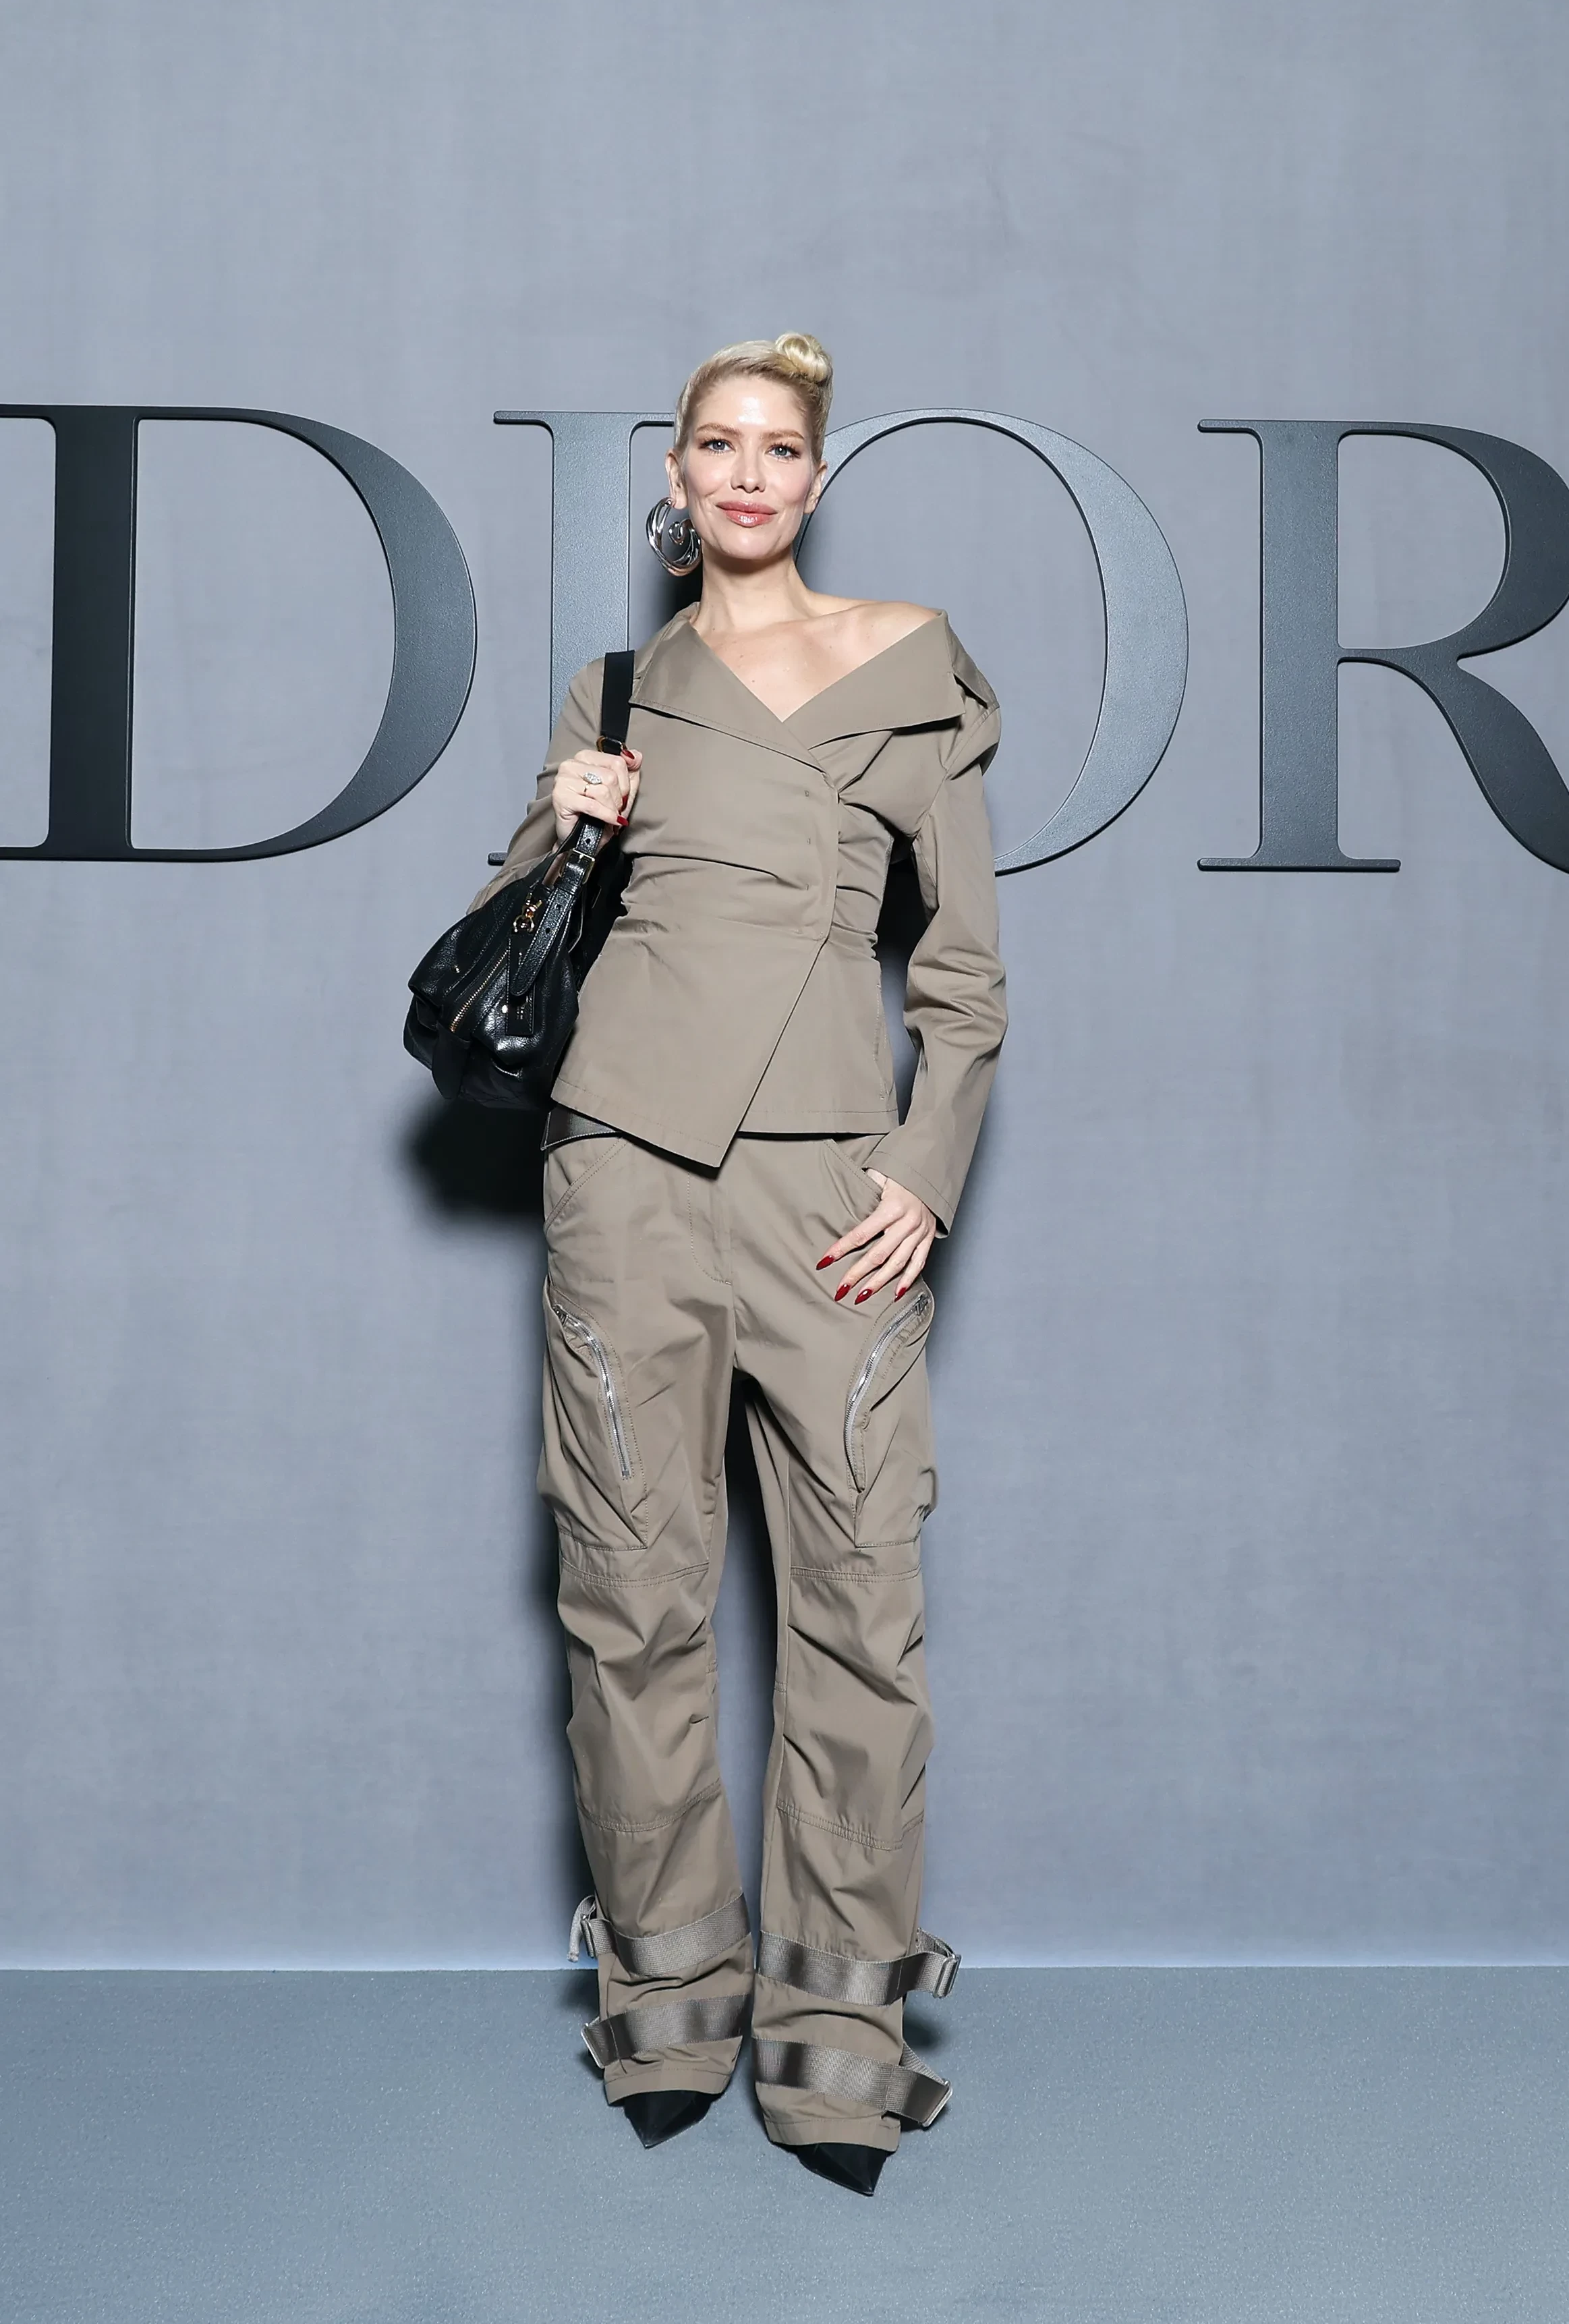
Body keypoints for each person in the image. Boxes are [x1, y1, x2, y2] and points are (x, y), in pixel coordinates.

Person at [480, 332, 1005, 2195]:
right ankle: (668, 2006)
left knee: (859, 1606)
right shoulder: (622, 686)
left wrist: (922, 1173)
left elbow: (964, 978)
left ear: (815, 476)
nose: (751, 472)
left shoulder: (911, 662)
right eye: (720, 444)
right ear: (681, 479)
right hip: (621, 1175)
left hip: (825, 1197)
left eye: (781, 446)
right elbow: (508, 953)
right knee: (630, 1600)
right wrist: (561, 818)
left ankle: (839, 2046)